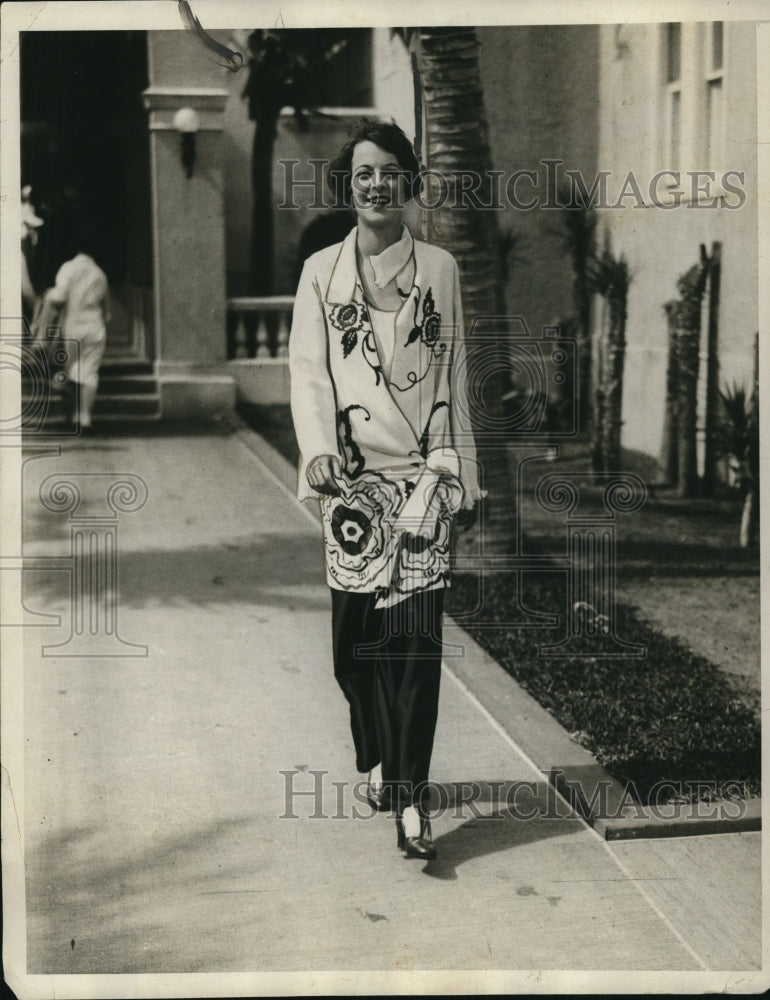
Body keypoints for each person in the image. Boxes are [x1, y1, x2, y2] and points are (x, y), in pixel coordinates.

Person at [289, 118, 484, 860]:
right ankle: (374, 752)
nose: (376, 184)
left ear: (408, 181)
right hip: (350, 490)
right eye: (363, 172)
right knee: (353, 651)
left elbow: (453, 376)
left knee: (413, 651)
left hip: (422, 485)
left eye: (389, 171)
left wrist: (457, 475)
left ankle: (409, 800)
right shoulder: (319, 273)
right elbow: (307, 372)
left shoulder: (440, 268)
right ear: (350, 184)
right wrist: (314, 456)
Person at [44, 228, 110, 434]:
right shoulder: (100, 273)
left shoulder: (68, 268)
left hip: (73, 326)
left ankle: (73, 417)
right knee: (90, 372)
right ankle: (86, 419)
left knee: (71, 370)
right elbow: (107, 312)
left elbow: (58, 298)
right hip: (95, 326)